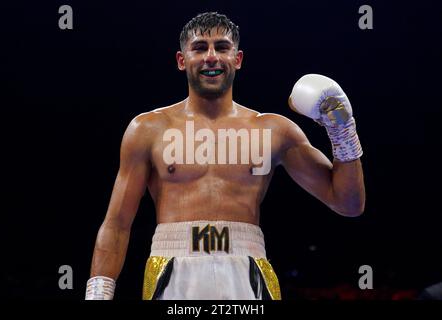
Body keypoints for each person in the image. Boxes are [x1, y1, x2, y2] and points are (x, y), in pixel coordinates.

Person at [85, 12, 365, 300]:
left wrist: (342, 131)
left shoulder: (274, 130)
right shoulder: (148, 129)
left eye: (221, 47)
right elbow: (117, 224)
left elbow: (348, 203)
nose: (211, 57)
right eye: (199, 48)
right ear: (182, 61)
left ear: (238, 59)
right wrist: (97, 296)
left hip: (247, 270)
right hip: (172, 268)